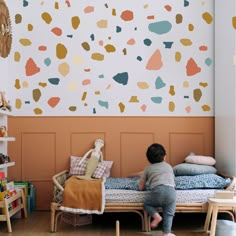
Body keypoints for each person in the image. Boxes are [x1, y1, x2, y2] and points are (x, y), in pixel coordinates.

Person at [139, 143, 176, 236]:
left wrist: (141, 189)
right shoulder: (169, 166)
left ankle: (156, 217)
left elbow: (141, 183)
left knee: (147, 204)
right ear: (164, 157)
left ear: (148, 159)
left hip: (157, 191)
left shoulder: (148, 168)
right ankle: (166, 233)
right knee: (169, 214)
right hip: (171, 192)